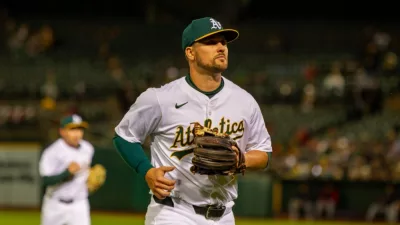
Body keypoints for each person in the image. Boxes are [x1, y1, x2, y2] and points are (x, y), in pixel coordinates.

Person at [113, 17, 272, 225]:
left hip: (224, 216)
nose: (221, 47)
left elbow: (264, 152)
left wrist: (243, 160)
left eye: (223, 42)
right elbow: (123, 136)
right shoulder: (160, 98)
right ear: (190, 52)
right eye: (211, 42)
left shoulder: (245, 101)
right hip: (173, 212)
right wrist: (146, 171)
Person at [39, 114, 94, 225]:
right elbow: (45, 181)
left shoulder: (88, 149)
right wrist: (67, 173)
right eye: (72, 129)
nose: (77, 133)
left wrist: (90, 181)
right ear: (62, 131)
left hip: (80, 204)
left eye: (80, 129)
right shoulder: (52, 152)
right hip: (55, 204)